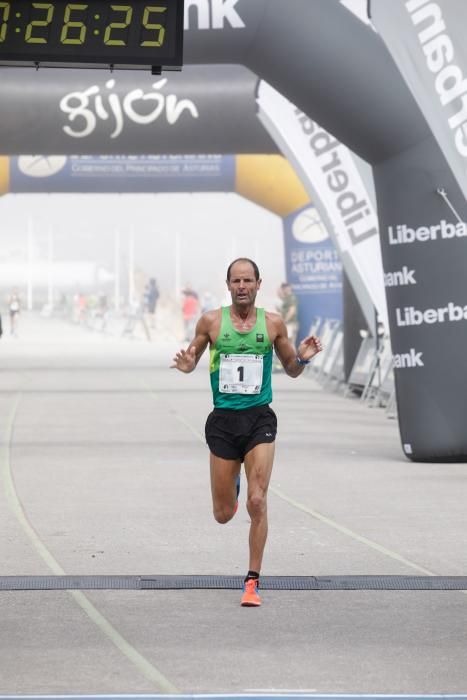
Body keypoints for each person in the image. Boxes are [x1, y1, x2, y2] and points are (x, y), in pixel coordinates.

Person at [171, 258, 322, 607]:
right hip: (223, 421)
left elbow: (292, 369)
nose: (242, 286)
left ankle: (252, 581)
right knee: (223, 514)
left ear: (258, 284)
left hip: (259, 420)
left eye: (248, 280)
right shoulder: (211, 321)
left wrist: (302, 358)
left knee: (259, 501)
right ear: (228, 285)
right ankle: (233, 485)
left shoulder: (273, 324)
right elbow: (192, 358)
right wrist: (186, 365)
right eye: (236, 280)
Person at [279, 282, 299, 346]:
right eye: (283, 288)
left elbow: (292, 311)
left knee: (290, 344)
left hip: (290, 324)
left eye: (285, 288)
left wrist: (285, 321)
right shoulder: (286, 298)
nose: (284, 290)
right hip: (288, 323)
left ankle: (293, 356)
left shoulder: (291, 297)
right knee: (288, 344)